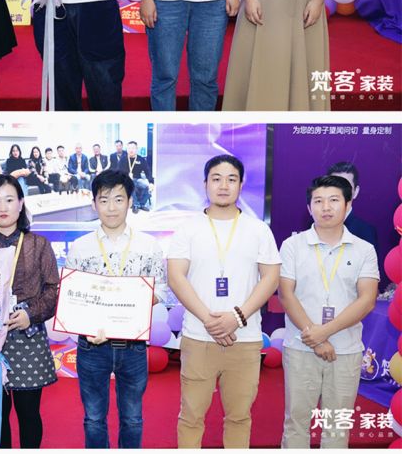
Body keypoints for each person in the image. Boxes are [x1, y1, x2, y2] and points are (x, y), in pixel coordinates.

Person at [167, 155, 281, 448]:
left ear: (241, 184)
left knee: (239, 417)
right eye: (216, 179)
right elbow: (176, 277)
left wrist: (237, 317)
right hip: (198, 337)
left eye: (231, 179)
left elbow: (270, 278)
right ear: (205, 183)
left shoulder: (258, 229)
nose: (223, 185)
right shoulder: (188, 228)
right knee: (191, 416)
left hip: (245, 338)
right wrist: (209, 320)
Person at [66, 169, 167, 448]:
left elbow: (161, 290)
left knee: (132, 418)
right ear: (94, 204)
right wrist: (86, 324)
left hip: (133, 347)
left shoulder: (149, 246)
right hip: (92, 346)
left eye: (119, 199)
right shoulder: (80, 247)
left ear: (130, 202)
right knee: (94, 418)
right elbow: (71, 297)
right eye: (104, 200)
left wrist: (133, 302)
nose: (111, 207)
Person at [278, 175, 380, 448]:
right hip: (301, 347)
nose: (325, 207)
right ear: (309, 207)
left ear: (348, 205)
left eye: (334, 200)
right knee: (296, 421)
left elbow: (367, 300)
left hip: (345, 350)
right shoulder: (292, 246)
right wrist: (316, 339)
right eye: (318, 201)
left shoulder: (364, 250)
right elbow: (286, 294)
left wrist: (324, 333)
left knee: (337, 426)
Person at [0, 174, 59, 448]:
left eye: (9, 199)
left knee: (29, 413)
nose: (3, 207)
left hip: (28, 336)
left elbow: (53, 289)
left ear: (21, 204)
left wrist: (31, 314)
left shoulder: (39, 244)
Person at [326, 161, 385, 290]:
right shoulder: (313, 227)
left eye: (345, 187)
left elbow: (371, 280)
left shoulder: (366, 232)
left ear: (355, 191)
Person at [122, 141, 154, 212]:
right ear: (127, 149)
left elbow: (148, 172)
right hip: (125, 180)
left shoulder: (141, 160)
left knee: (147, 186)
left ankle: (141, 204)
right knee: (131, 183)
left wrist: (151, 182)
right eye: (129, 148)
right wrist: (127, 175)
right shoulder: (123, 159)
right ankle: (135, 205)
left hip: (137, 179)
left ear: (136, 149)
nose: (131, 150)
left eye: (133, 148)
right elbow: (118, 172)